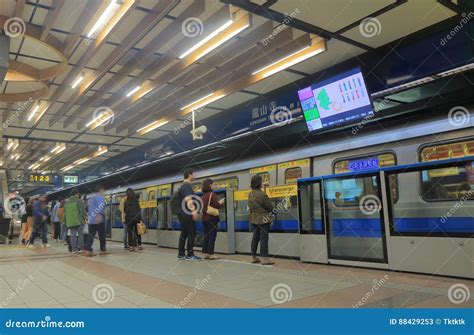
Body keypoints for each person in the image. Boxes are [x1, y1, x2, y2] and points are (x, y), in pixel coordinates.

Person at [248, 175, 274, 265]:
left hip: (254, 219)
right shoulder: (262, 194)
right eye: (262, 181)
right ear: (259, 183)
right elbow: (269, 207)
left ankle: (254, 257)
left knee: (255, 237)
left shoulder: (250, 194)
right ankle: (265, 259)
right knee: (264, 238)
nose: (262, 183)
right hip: (264, 219)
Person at [177, 168, 201, 261]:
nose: (195, 176)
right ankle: (190, 254)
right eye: (194, 174)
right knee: (192, 233)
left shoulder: (182, 186)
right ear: (190, 175)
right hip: (187, 214)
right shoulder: (186, 186)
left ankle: (181, 254)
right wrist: (194, 211)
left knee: (184, 234)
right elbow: (188, 199)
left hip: (182, 214)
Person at [201, 179, 225, 260]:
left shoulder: (203, 196)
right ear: (210, 185)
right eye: (213, 184)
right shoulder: (212, 194)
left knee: (206, 235)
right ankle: (211, 254)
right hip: (211, 218)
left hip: (204, 218)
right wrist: (221, 202)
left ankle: (205, 253)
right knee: (212, 236)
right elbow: (217, 205)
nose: (214, 186)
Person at [64, 189, 88, 255]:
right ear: (76, 194)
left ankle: (74, 249)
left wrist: (66, 221)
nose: (78, 195)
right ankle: (79, 249)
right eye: (78, 194)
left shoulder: (67, 201)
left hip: (70, 222)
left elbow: (65, 213)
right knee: (80, 235)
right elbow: (82, 210)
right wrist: (86, 217)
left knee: (73, 235)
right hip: (79, 220)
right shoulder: (78, 200)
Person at [87, 185, 108, 255]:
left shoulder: (91, 199)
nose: (104, 192)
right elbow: (101, 208)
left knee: (91, 235)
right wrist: (99, 215)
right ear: (100, 190)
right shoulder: (101, 197)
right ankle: (103, 250)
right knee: (102, 235)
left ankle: (89, 250)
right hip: (98, 219)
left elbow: (89, 209)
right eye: (103, 190)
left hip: (91, 219)